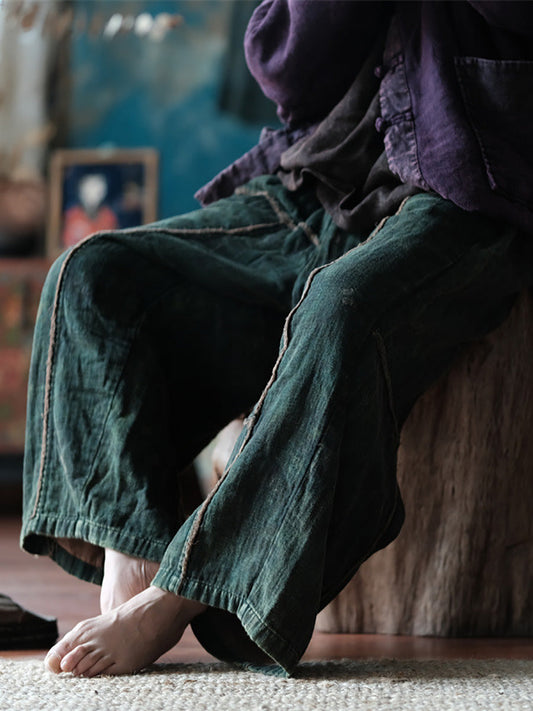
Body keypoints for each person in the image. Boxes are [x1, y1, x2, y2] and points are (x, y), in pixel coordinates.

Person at [21, 1, 533, 678]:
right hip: (321, 180)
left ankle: (188, 588)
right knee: (91, 274)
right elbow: (283, 69)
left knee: (339, 309)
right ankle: (132, 551)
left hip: (471, 189)